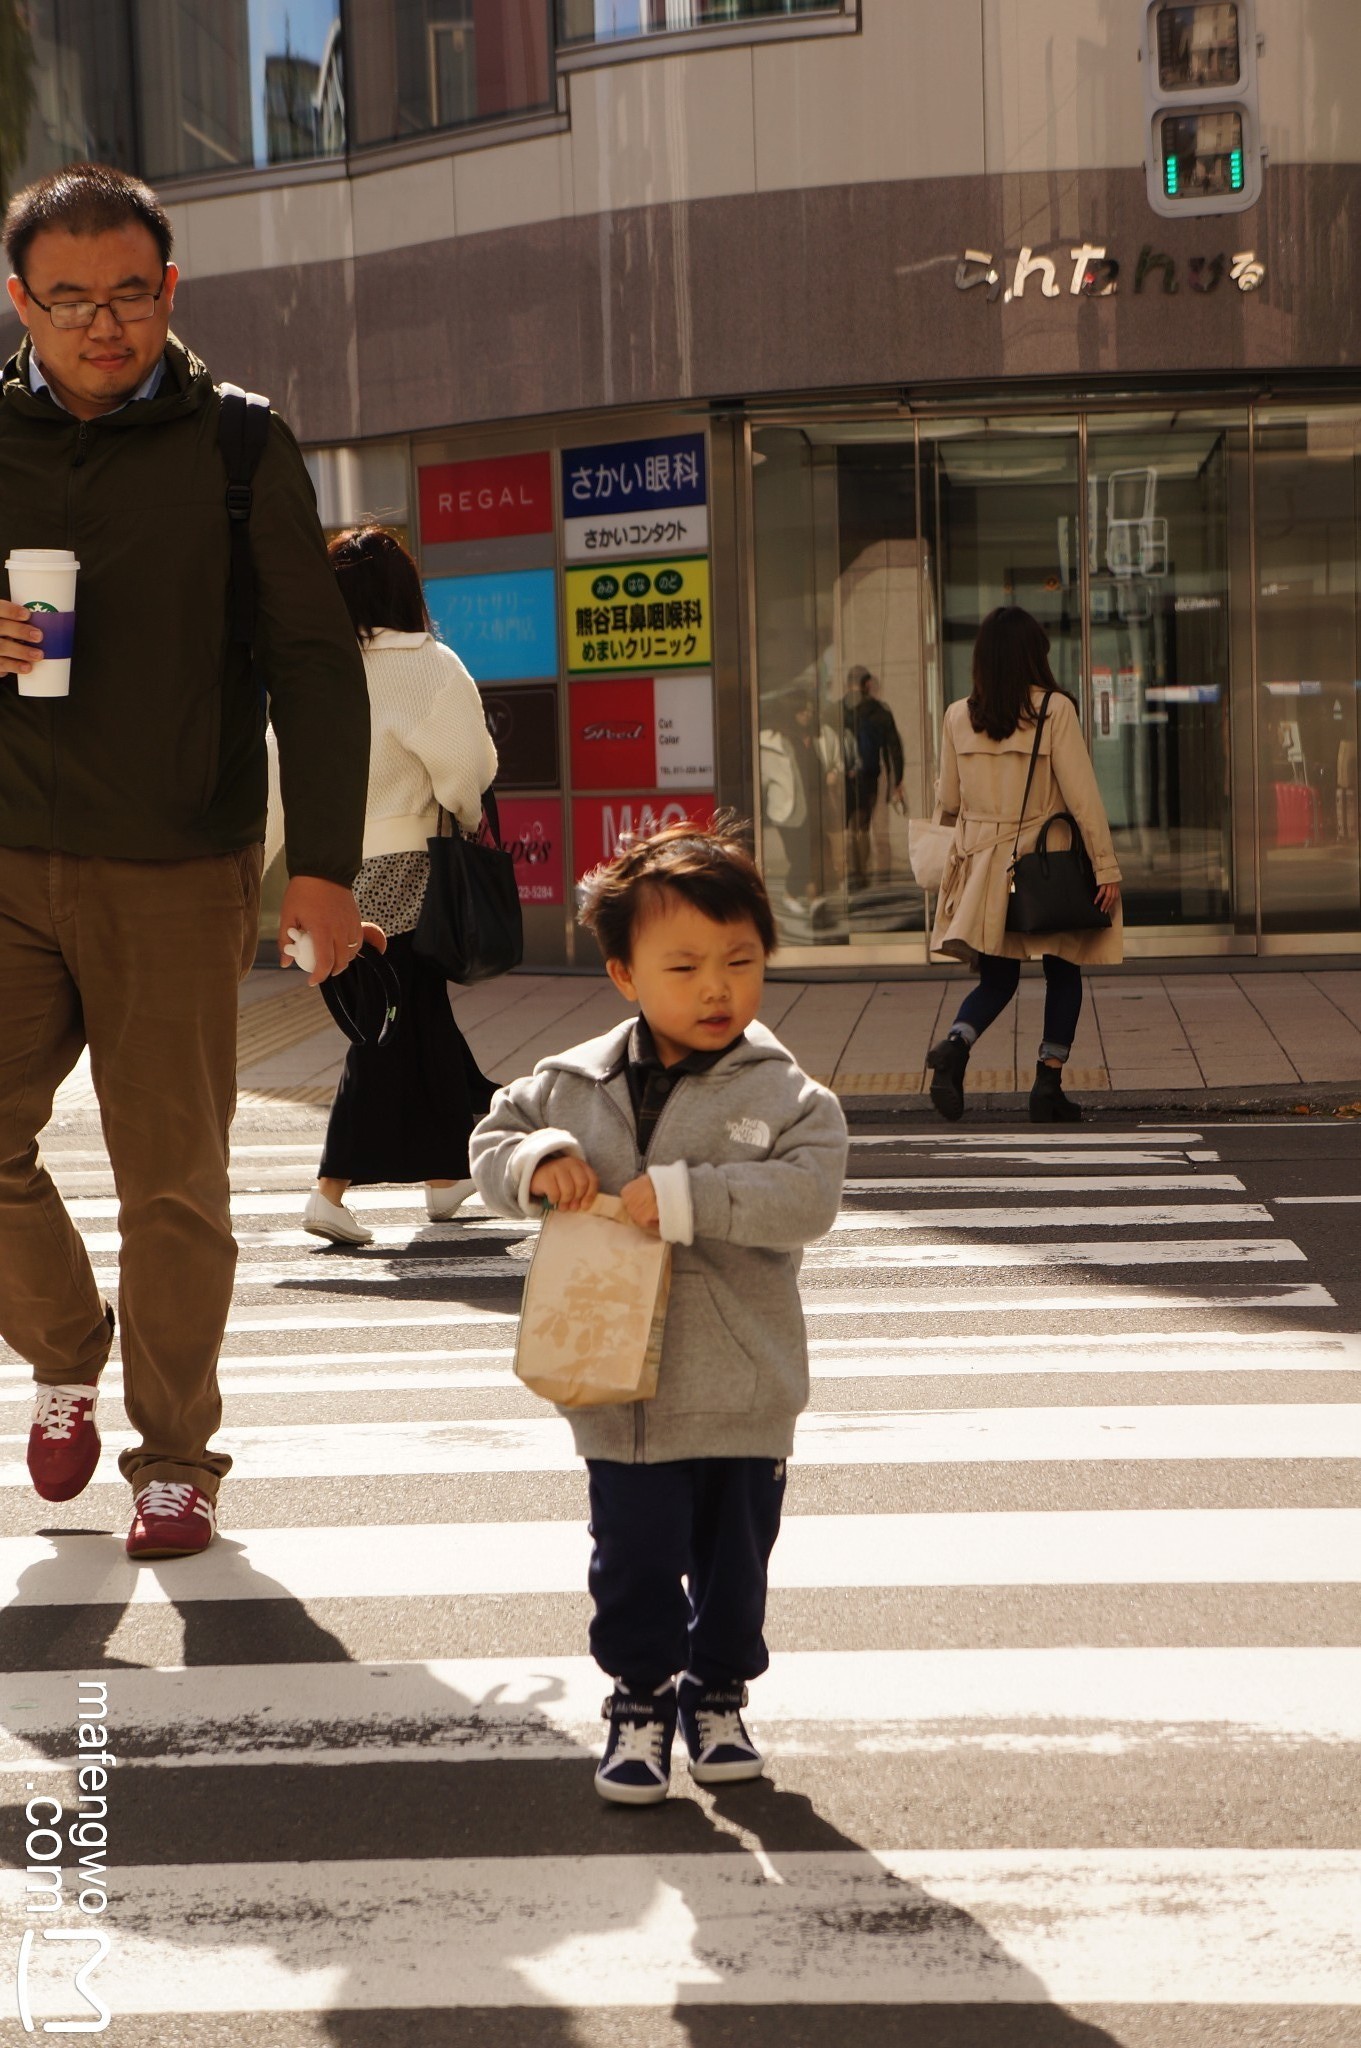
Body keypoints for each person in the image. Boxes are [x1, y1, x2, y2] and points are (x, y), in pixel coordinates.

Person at [0, 163, 370, 1558]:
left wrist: (322, 866)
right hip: (4, 848)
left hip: (172, 863)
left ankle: (173, 1458)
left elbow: (313, 664)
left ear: (173, 290)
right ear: (20, 299)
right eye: (72, 298)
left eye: (133, 293)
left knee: (172, 1181)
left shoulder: (236, 447)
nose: (106, 324)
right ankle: (63, 1341)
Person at [469, 820, 847, 1804]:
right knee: (630, 1558)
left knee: (733, 1561)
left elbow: (807, 1196)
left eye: (739, 960)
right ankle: (638, 1696)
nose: (716, 987)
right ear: (623, 973)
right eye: (683, 965)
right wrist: (534, 1159)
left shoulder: (789, 1094)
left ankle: (716, 1693)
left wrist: (687, 1196)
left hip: (741, 1384)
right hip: (612, 1380)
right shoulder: (569, 1082)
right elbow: (492, 1136)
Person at [264, 525, 498, 1244]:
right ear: (406, 589)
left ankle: (450, 1174)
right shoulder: (428, 664)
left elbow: (277, 778)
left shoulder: (311, 669)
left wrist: (264, 876)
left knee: (410, 1015)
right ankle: (331, 1188)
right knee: (388, 1022)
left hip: (324, 874)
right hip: (405, 871)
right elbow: (467, 770)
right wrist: (463, 811)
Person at [925, 606, 1122, 1123]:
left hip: (986, 867)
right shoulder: (1054, 710)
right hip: (1045, 862)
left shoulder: (956, 716)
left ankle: (954, 1046)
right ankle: (1047, 1084)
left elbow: (947, 799)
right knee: (1064, 971)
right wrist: (1105, 866)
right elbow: (1083, 797)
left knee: (997, 978)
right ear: (1034, 654)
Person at [841, 665, 904, 889]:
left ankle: (854, 873)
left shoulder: (838, 710)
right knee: (863, 826)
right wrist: (897, 781)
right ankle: (863, 875)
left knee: (850, 827)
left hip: (842, 778)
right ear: (867, 684)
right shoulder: (879, 710)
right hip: (868, 777)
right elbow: (893, 748)